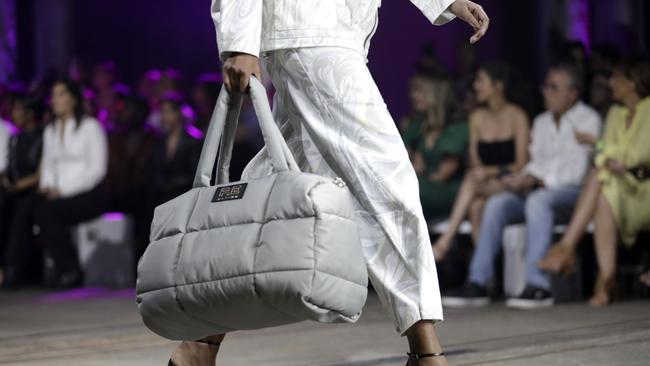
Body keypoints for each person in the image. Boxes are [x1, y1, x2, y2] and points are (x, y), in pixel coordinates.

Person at [166, 1, 490, 366]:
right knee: (388, 179)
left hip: (326, 34)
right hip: (314, 34)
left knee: (274, 190)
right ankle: (426, 349)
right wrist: (240, 41)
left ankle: (199, 345)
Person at [441, 63, 602, 310]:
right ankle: (479, 281)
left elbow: (576, 172)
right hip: (539, 191)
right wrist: (523, 178)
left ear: (573, 93)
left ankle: (538, 285)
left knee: (539, 201)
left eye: (553, 88)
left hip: (575, 194)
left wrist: (535, 178)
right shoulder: (541, 121)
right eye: (545, 86)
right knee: (497, 203)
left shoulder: (588, 120)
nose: (546, 92)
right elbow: (535, 163)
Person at [538, 57, 650, 306]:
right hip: (621, 188)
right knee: (601, 185)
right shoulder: (615, 113)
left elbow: (641, 153)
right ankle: (606, 278)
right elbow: (607, 152)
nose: (610, 83)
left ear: (633, 83)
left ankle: (574, 254)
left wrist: (606, 151)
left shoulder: (648, 110)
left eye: (617, 78)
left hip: (644, 188)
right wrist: (609, 154)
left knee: (599, 178)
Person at [433, 62, 530, 261]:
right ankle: (486, 276)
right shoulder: (476, 117)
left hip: (513, 183)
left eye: (481, 81)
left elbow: (521, 163)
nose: (475, 86)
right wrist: (483, 173)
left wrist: (489, 172)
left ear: (498, 86)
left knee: (471, 183)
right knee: (476, 206)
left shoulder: (517, 116)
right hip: (485, 185)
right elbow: (475, 159)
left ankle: (445, 242)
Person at [33, 80, 109, 288]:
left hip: (88, 194)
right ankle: (21, 271)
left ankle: (70, 270)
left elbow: (97, 170)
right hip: (58, 195)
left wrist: (63, 191)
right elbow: (48, 165)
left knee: (46, 213)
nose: (54, 100)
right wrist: (47, 186)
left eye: (60, 95)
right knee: (28, 207)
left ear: (73, 99)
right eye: (53, 95)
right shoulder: (50, 130)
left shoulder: (90, 127)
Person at [401, 71, 468, 220]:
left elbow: (443, 175)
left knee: (406, 190)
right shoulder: (417, 124)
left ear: (434, 94)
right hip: (421, 185)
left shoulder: (456, 127)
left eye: (419, 91)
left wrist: (418, 173)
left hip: (446, 191)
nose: (414, 95)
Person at [0, 94, 44, 289]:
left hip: (33, 190)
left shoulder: (42, 136)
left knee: (22, 211)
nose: (13, 113)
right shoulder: (15, 138)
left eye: (18, 109)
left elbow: (42, 172)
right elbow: (9, 168)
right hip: (14, 189)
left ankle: (13, 270)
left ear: (30, 113)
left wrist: (20, 185)